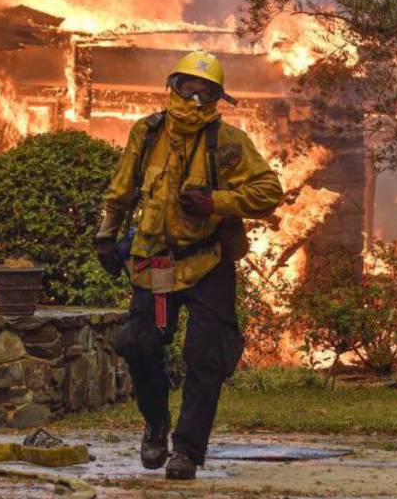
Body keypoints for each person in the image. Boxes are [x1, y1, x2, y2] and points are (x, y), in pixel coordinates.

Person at [95, 51, 284, 480]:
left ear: (219, 97)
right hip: (156, 262)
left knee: (206, 356)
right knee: (139, 343)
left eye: (207, 90)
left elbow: (268, 190)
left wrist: (214, 201)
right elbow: (122, 190)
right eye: (188, 87)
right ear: (172, 87)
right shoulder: (146, 133)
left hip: (206, 262)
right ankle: (156, 423)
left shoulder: (229, 143)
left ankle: (187, 451)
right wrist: (106, 234)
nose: (196, 98)